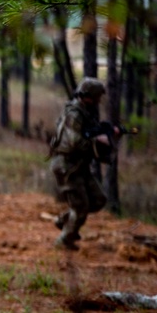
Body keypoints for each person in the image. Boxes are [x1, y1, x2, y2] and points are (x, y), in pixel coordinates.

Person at [48, 77, 116, 250]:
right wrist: (97, 141)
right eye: (97, 97)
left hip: (79, 166)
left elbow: (88, 133)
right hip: (67, 166)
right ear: (89, 96)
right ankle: (64, 241)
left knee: (99, 200)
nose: (99, 101)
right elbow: (75, 142)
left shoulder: (86, 112)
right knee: (81, 207)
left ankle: (65, 221)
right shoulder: (74, 114)